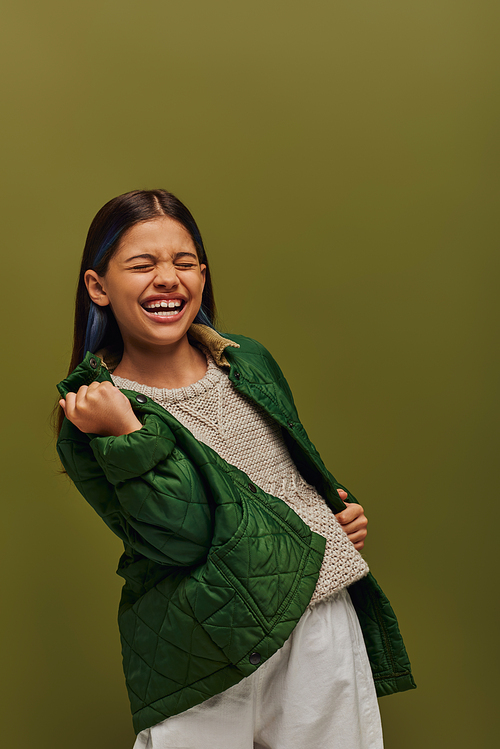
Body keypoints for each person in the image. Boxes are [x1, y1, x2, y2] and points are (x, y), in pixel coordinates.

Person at [56, 189, 415, 749]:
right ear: (98, 286)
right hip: (201, 644)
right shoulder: (94, 411)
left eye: (183, 261)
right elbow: (180, 536)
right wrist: (127, 434)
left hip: (317, 615)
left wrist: (330, 516)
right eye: (142, 264)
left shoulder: (245, 358)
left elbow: (286, 472)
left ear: (202, 274)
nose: (167, 278)